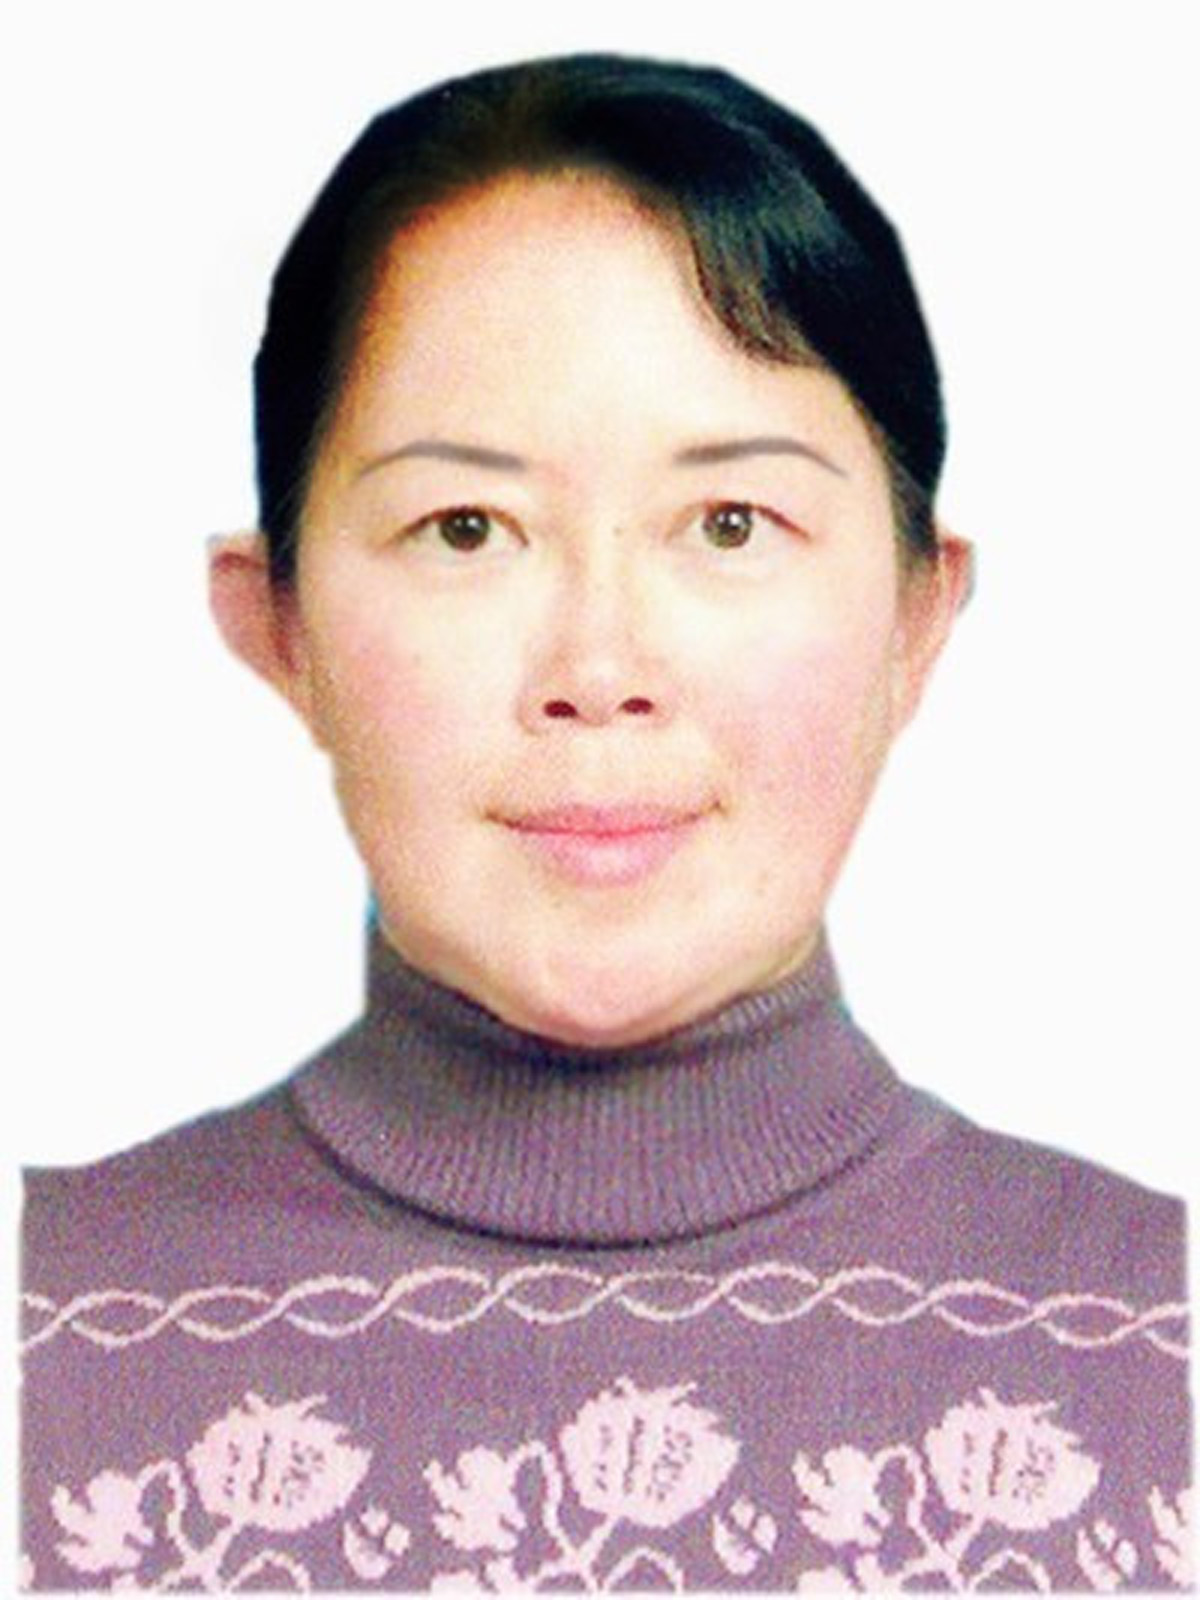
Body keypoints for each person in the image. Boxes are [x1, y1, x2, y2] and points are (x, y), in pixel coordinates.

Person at [20, 54, 1190, 1594]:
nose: (598, 669)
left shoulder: (1157, 1340)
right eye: (465, 528)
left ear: (918, 617)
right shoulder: (45, 1330)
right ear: (275, 624)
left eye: (730, 524)